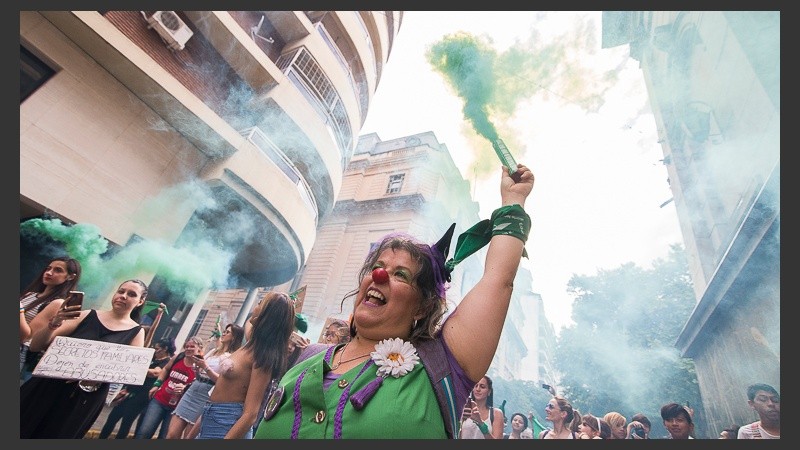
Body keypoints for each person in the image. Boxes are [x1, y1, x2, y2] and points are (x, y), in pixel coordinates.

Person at [253, 163, 533, 439]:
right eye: (378, 266)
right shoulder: (305, 358)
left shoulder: (444, 364)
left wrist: (514, 200)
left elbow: (498, 281)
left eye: (400, 274)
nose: (379, 275)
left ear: (423, 306)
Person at [20, 279, 147, 438]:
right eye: (121, 291)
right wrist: (54, 323)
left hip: (83, 399)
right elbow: (35, 346)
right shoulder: (87, 315)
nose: (123, 296)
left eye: (131, 294)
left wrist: (94, 376)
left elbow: (127, 371)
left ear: (140, 301)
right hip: (48, 386)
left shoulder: (137, 332)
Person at [196, 291, 296, 439]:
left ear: (266, 315)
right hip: (212, 416)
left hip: (228, 423)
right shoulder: (251, 342)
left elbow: (251, 414)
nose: (254, 308)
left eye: (259, 304)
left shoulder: (262, 356)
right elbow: (249, 322)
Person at [166, 324, 245, 439]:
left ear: (234, 337)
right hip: (194, 388)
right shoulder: (213, 351)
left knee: (188, 436)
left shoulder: (232, 357)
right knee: (172, 434)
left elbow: (223, 382)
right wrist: (198, 368)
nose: (223, 333)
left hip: (207, 393)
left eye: (227, 332)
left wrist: (206, 368)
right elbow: (200, 369)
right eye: (224, 331)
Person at [98, 337, 176, 439]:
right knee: (112, 418)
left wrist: (139, 368)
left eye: (157, 349)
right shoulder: (151, 357)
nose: (155, 351)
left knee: (126, 422)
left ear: (165, 349)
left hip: (141, 395)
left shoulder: (166, 361)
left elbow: (156, 372)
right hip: (128, 390)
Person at [19, 256, 81, 382]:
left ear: (70, 277)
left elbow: (27, 335)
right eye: (48, 268)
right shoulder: (30, 295)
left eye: (58, 270)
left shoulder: (57, 303)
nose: (49, 273)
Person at [134, 336, 203, 439]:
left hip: (177, 407)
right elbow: (166, 369)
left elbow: (199, 385)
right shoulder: (178, 357)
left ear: (199, 348)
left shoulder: (201, 366)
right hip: (159, 400)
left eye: (192, 346)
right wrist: (157, 385)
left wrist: (185, 387)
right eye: (186, 346)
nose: (188, 349)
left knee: (165, 436)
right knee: (144, 431)